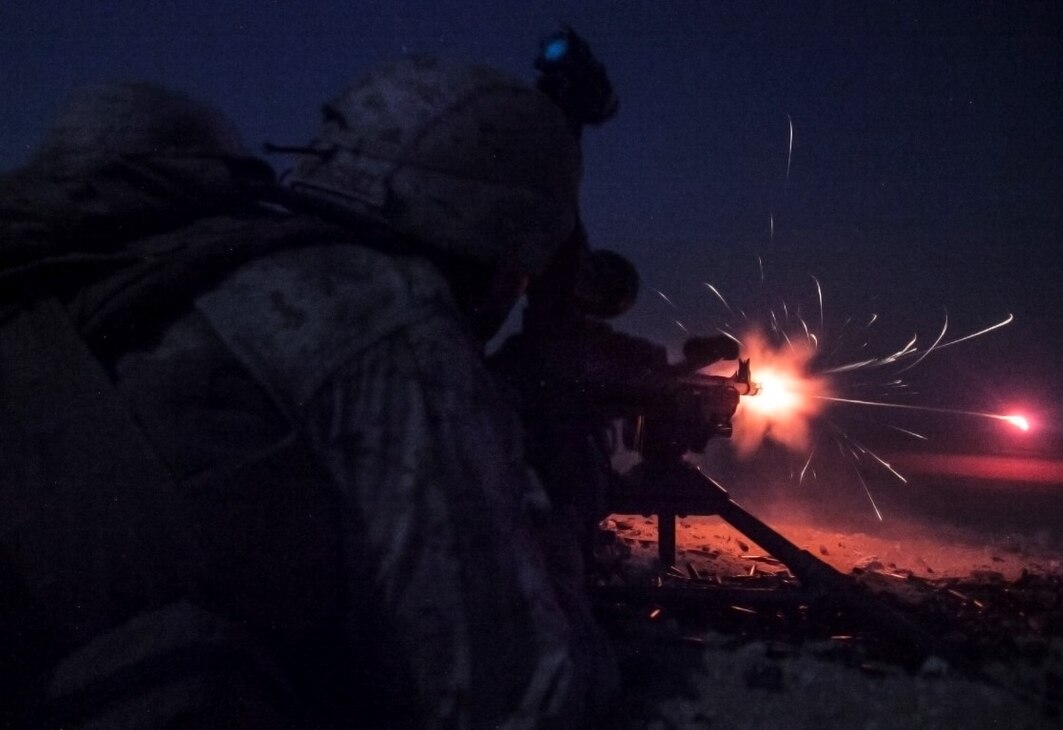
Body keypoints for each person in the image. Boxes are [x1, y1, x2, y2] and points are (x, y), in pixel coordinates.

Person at [1, 57, 614, 728]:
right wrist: (557, 517)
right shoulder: (384, 312)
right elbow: (519, 703)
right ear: (499, 245)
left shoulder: (144, 277)